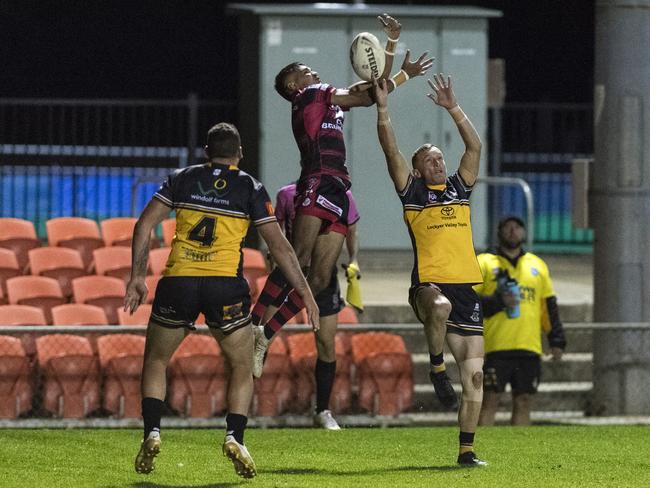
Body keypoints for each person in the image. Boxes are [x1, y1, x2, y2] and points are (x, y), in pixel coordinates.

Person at [124, 123, 318, 479]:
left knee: (155, 361)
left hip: (179, 281)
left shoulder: (180, 178)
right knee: (242, 365)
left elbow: (143, 225)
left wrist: (137, 277)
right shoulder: (249, 186)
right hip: (224, 286)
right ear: (240, 152)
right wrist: (306, 293)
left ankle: (152, 431)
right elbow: (280, 247)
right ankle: (234, 436)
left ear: (205, 152)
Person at [251, 14, 433, 378]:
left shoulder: (327, 99)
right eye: (306, 69)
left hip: (338, 187)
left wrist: (395, 53)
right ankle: (252, 321)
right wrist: (389, 53)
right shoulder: (308, 96)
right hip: (318, 179)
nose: (314, 72)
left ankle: (265, 334)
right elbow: (367, 87)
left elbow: (372, 93)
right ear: (293, 83)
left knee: (319, 278)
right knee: (298, 257)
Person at [372, 74, 486, 466]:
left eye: (440, 157)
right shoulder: (413, 193)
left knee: (475, 379)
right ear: (419, 170)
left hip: (465, 290)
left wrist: (453, 107)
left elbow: (475, 145)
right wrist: (383, 108)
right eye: (430, 160)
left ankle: (466, 452)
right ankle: (437, 369)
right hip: (429, 285)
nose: (439, 162)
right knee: (438, 307)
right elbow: (391, 153)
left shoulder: (460, 187)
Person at [261, 182, 361, 430]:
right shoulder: (286, 193)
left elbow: (352, 230)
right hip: (292, 272)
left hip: (323, 277)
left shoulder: (343, 195)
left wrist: (354, 260)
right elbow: (280, 228)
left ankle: (323, 411)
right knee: (263, 337)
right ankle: (242, 405)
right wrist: (275, 256)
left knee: (327, 344)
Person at [475, 216, 567, 426]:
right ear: (499, 232)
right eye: (507, 227)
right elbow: (468, 302)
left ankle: (520, 448)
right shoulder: (485, 263)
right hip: (495, 346)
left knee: (524, 400)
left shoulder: (537, 265)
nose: (512, 231)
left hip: (528, 346)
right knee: (490, 400)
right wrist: (498, 302)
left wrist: (556, 340)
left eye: (517, 227)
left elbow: (548, 306)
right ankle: (480, 448)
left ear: (523, 232)